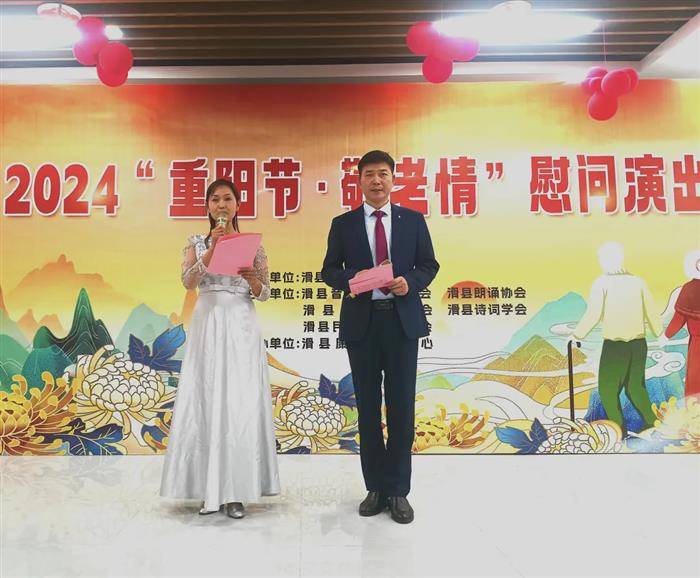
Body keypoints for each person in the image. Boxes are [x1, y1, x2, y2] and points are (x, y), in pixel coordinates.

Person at [321, 150, 439, 524]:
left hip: (401, 323)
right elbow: (329, 271)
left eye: (383, 174)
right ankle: (375, 487)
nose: (376, 180)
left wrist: (410, 282)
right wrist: (353, 279)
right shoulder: (343, 224)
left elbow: (429, 264)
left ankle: (398, 490)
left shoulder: (412, 220)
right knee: (369, 409)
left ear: (393, 179)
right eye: (369, 174)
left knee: (402, 407)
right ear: (358, 180)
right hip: (363, 324)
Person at [160, 178, 280, 518]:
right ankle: (205, 488)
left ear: (238, 205)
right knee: (206, 398)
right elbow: (188, 282)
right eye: (215, 200)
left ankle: (236, 492)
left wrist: (253, 277)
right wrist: (212, 250)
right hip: (208, 323)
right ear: (208, 207)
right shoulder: (195, 242)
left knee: (239, 403)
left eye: (228, 199)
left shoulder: (252, 245)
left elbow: (265, 292)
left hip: (241, 324)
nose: (221, 205)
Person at [572, 242, 662, 437]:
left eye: (601, 258)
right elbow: (651, 310)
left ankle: (618, 433)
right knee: (635, 389)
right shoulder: (638, 281)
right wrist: (659, 332)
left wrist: (576, 335)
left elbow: (594, 313)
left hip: (615, 347)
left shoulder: (602, 283)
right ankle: (655, 425)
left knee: (608, 391)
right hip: (638, 344)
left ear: (608, 259)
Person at [664, 250, 700, 400]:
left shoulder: (688, 288)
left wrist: (666, 335)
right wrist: (667, 334)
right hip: (696, 342)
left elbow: (679, 319)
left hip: (697, 346)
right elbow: (679, 319)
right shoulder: (688, 288)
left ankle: (694, 410)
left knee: (695, 380)